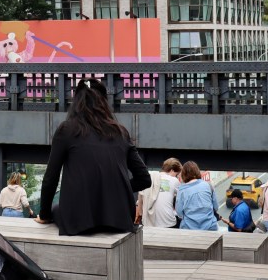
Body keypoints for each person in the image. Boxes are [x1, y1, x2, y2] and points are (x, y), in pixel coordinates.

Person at [34, 78, 150, 236]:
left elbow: (51, 178)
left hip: (79, 221)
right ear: (104, 102)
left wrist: (44, 214)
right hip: (119, 219)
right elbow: (144, 179)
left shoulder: (67, 129)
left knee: (56, 209)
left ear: (76, 102)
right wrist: (115, 189)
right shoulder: (120, 132)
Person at [174, 161, 218, 231]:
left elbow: (179, 213)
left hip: (189, 228)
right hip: (210, 228)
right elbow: (215, 207)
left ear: (183, 174)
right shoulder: (208, 185)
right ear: (197, 171)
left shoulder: (181, 190)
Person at [139, 157, 181, 228]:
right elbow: (181, 197)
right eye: (176, 174)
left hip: (149, 222)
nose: (176, 177)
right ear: (172, 170)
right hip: (168, 222)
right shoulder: (174, 180)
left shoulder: (150, 177)